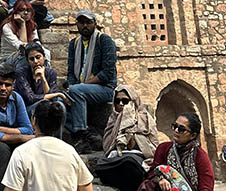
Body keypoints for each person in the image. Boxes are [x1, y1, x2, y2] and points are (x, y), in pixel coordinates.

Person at [64, 10, 118, 145]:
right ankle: (90, 130)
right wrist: (70, 86)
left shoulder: (104, 41)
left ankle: (81, 133)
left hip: (106, 88)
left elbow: (107, 73)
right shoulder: (74, 43)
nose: (85, 26)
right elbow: (71, 72)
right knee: (57, 104)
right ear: (77, 24)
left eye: (89, 22)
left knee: (76, 91)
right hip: (81, 88)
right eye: (82, 23)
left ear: (95, 24)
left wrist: (79, 87)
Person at [102, 84, 160, 162]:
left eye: (125, 101)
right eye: (117, 101)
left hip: (139, 156)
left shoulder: (144, 118)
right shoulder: (113, 119)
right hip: (117, 155)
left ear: (133, 101)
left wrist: (132, 134)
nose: (121, 104)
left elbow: (153, 144)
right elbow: (107, 145)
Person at [15, 42, 59, 119]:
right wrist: (57, 94)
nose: (35, 61)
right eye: (31, 59)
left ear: (44, 57)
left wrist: (43, 78)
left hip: (47, 105)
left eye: (38, 57)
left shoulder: (51, 73)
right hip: (27, 108)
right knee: (45, 104)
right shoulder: (22, 73)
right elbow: (30, 98)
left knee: (60, 106)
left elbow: (53, 100)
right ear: (28, 60)